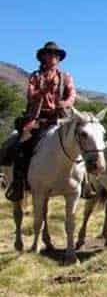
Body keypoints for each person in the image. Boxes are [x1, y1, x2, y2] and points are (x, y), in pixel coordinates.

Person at [6, 42, 77, 201]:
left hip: (59, 119)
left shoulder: (65, 77)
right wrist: (45, 89)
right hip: (38, 119)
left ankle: (84, 183)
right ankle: (18, 183)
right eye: (50, 54)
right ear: (43, 57)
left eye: (56, 55)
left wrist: (65, 103)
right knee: (22, 144)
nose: (53, 57)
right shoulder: (35, 76)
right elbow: (31, 96)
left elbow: (72, 94)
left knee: (79, 140)